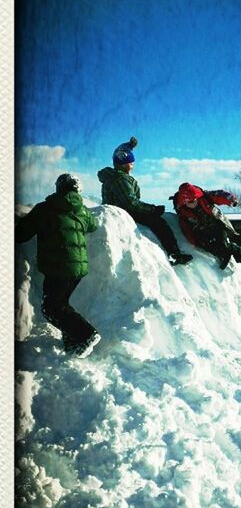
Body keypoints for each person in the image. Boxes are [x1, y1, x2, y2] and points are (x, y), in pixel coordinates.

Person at [15, 174, 101, 358]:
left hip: (58, 268)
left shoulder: (45, 208)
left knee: (50, 308)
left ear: (59, 188)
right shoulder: (82, 210)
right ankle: (73, 339)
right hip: (79, 269)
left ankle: (86, 334)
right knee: (61, 304)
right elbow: (94, 225)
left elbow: (21, 234)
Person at [97, 137, 192, 266]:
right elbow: (131, 203)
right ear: (124, 164)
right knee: (159, 223)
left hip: (120, 210)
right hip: (124, 212)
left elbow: (119, 151)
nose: (133, 165)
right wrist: (153, 209)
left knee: (156, 218)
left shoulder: (115, 176)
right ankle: (174, 254)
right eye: (131, 162)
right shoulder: (121, 180)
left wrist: (129, 145)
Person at [171, 182, 241, 271]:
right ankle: (222, 256)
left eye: (196, 199)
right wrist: (193, 241)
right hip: (201, 231)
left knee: (224, 244)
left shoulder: (204, 197)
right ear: (185, 202)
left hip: (216, 224)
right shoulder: (183, 212)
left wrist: (231, 199)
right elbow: (186, 228)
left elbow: (219, 195)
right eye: (192, 201)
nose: (195, 201)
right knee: (208, 246)